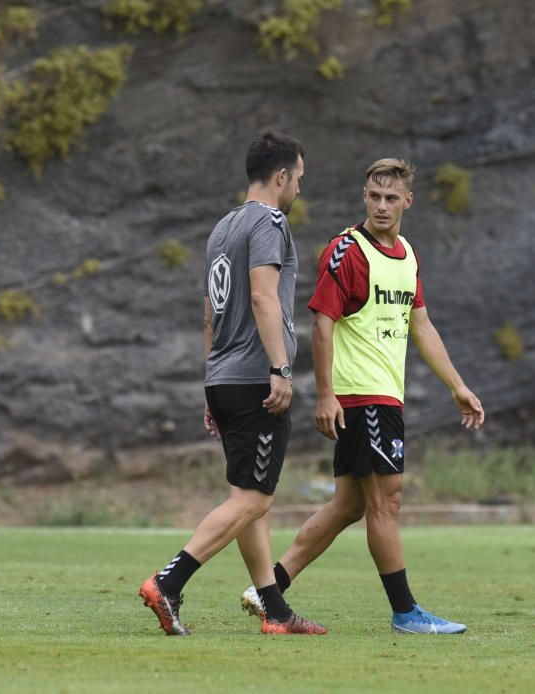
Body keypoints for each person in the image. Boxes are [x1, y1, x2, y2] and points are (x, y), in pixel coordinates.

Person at [241, 158, 485, 634]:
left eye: (391, 198)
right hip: (362, 397)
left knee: (350, 505)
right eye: (374, 196)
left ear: (407, 202)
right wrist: (326, 395)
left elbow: (422, 324)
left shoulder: (408, 254)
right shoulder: (347, 252)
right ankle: (406, 612)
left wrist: (456, 385)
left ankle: (268, 587)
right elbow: (322, 323)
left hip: (384, 396)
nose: (381, 205)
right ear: (364, 197)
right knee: (386, 503)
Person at [139, 129, 325, 636]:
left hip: (223, 376)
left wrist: (209, 382)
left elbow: (208, 316)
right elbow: (265, 299)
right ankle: (168, 583)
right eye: (299, 180)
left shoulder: (221, 228)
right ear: (281, 176)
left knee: (250, 495)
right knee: (255, 500)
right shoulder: (269, 222)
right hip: (254, 379)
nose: (299, 190)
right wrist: (280, 368)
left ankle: (275, 610)